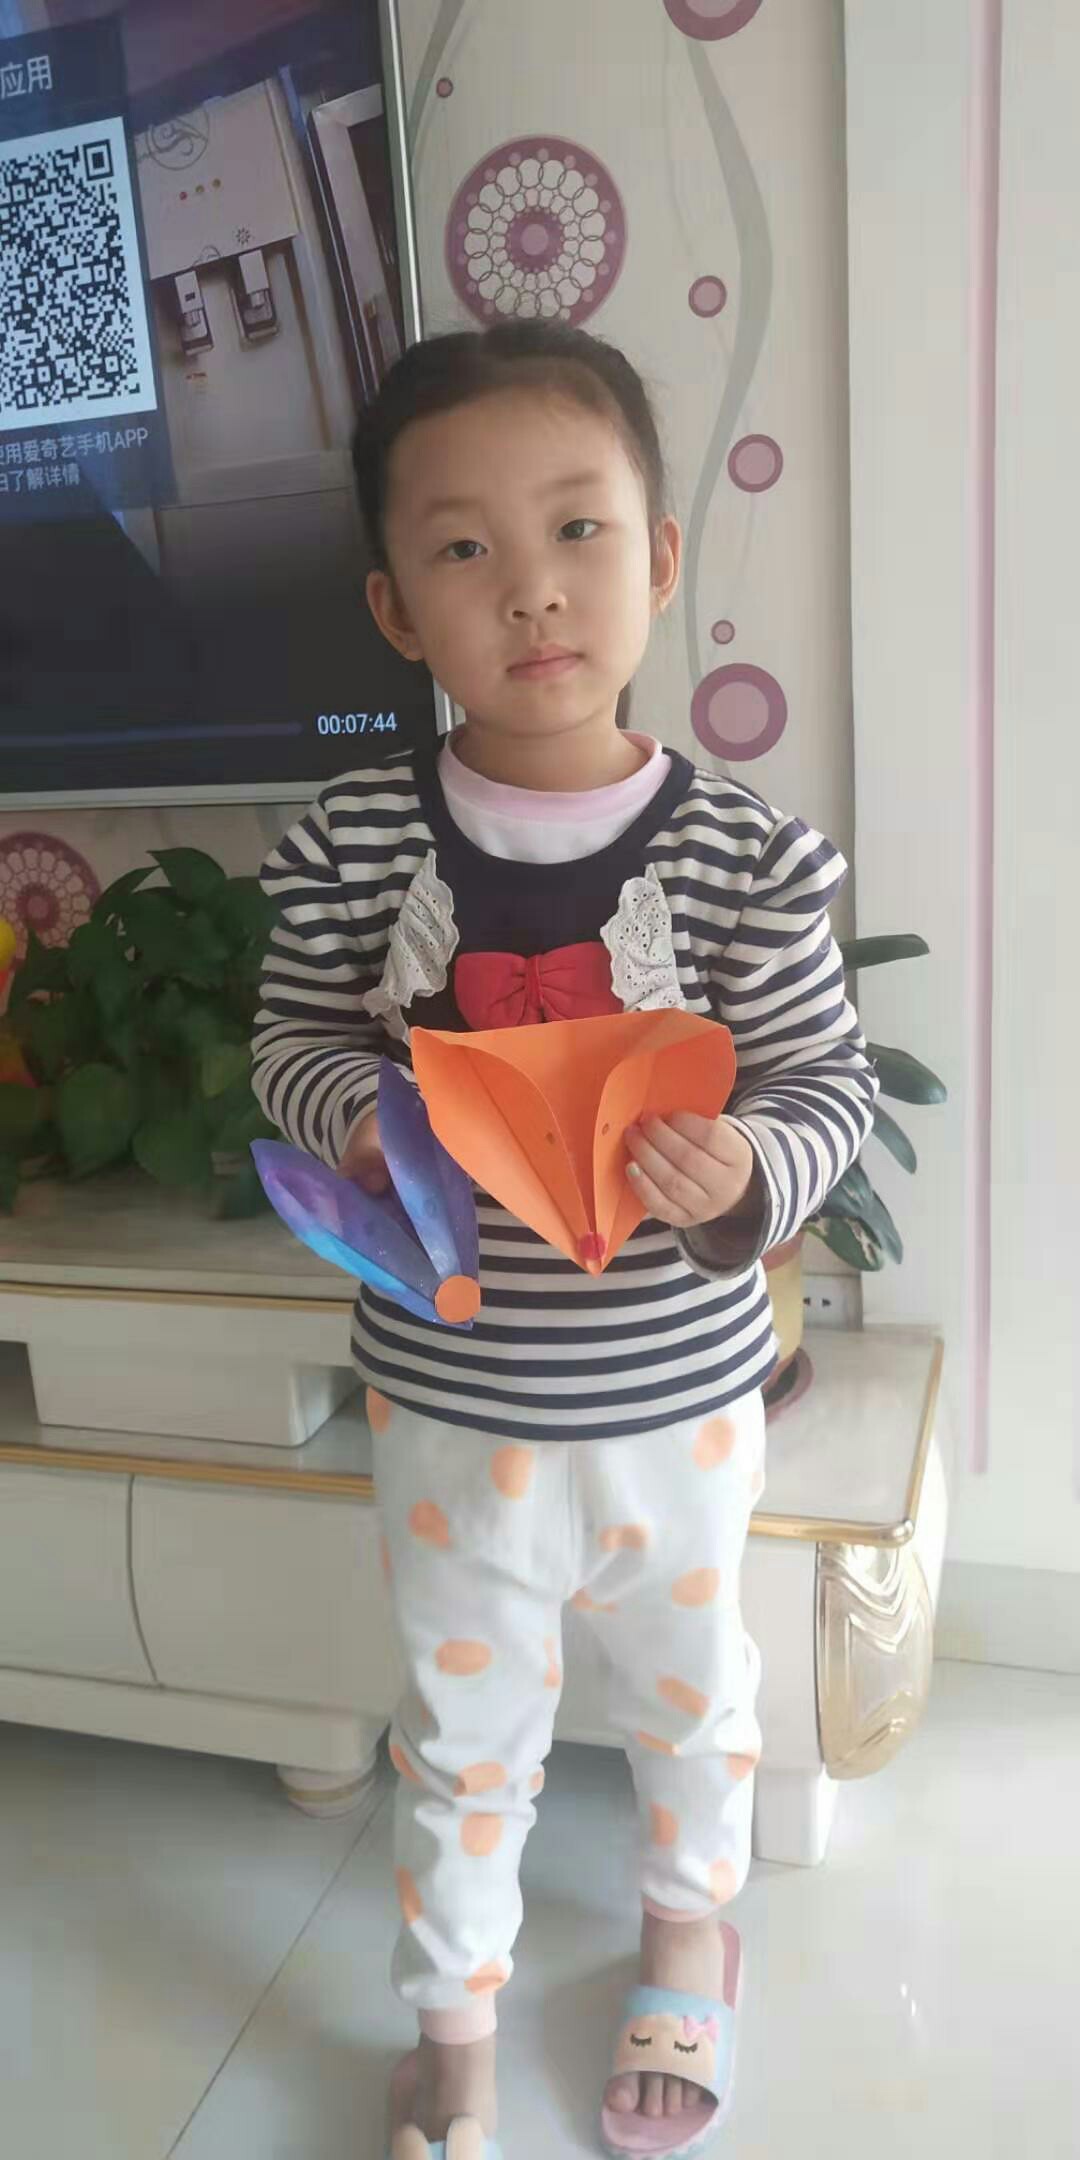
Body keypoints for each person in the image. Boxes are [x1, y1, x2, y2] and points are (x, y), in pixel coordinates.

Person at [252, 322, 878, 2160]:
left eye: (578, 530)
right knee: (461, 1737)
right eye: (464, 548)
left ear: (661, 557)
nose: (531, 588)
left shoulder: (754, 855)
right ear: (395, 607)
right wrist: (362, 1113)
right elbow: (290, 1044)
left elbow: (827, 1084)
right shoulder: (351, 843)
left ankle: (689, 1932)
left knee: (696, 1704)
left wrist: (748, 1164)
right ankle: (452, 2021)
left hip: (681, 1405)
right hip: (451, 1411)